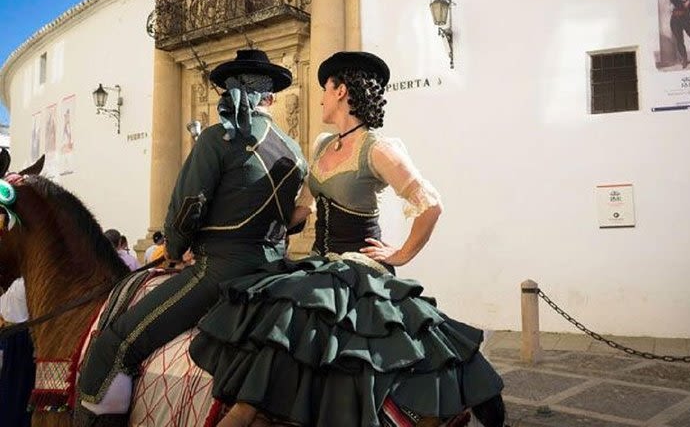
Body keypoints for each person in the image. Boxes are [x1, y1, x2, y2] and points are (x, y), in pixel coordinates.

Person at [189, 52, 505, 427]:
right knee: (277, 310)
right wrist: (237, 208)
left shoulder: (378, 148)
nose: (321, 97)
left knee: (304, 319)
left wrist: (401, 254)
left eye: (325, 89)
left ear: (340, 91)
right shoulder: (324, 145)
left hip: (360, 267)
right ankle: (255, 407)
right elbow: (301, 210)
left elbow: (431, 204)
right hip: (322, 264)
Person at [75, 49, 307, 426]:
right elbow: (289, 220)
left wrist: (175, 249)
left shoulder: (218, 138)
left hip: (219, 271)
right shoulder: (295, 152)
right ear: (272, 96)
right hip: (275, 268)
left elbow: (188, 204)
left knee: (113, 347)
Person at [0, 278, 35, 427]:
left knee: (14, 392)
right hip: (20, 339)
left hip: (17, 340)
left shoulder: (21, 285)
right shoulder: (21, 285)